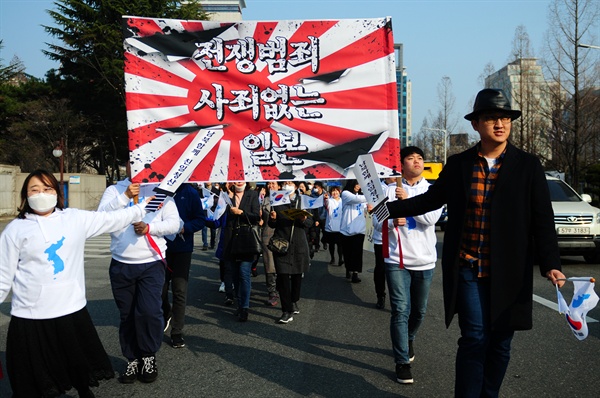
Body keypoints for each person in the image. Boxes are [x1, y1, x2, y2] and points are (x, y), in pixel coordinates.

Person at [383, 88, 566, 396]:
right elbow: (430, 200)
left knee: (501, 343)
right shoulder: (460, 164)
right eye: (492, 117)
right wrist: (388, 208)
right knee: (475, 337)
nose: (500, 124)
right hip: (468, 266)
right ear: (476, 124)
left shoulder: (528, 165)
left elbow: (542, 219)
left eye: (505, 117)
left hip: (510, 271)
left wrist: (552, 265)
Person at [0, 169, 151, 398]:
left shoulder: (74, 218)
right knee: (32, 376)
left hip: (70, 309)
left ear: (57, 193)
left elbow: (110, 219)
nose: (41, 193)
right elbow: (3, 274)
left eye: (47, 188)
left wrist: (138, 207)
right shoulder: (15, 229)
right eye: (34, 189)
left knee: (77, 365)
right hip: (30, 315)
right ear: (25, 195)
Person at [98, 171, 181, 384]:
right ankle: (132, 358)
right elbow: (101, 217)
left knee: (149, 312)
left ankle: (148, 355)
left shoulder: (162, 192)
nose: (135, 165)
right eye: (131, 159)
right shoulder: (114, 190)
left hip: (151, 263)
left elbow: (175, 224)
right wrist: (125, 196)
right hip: (121, 265)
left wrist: (150, 228)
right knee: (127, 315)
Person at [374, 146, 443, 384]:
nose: (417, 161)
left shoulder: (432, 190)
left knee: (419, 311)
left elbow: (430, 219)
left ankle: (409, 337)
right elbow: (376, 221)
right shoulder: (389, 190)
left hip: (424, 259)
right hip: (396, 259)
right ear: (401, 165)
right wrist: (393, 222)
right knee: (400, 310)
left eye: (420, 158)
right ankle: (401, 361)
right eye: (411, 158)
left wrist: (409, 201)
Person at [162, 183, 206, 349]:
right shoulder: (158, 190)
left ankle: (177, 331)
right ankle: (166, 311)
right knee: (161, 289)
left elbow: (200, 219)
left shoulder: (190, 192)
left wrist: (184, 228)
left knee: (180, 290)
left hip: (182, 248)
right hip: (160, 248)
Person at [269, 181, 314, 323]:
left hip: (299, 244)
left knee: (296, 276)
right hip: (282, 244)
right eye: (285, 182)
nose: (287, 185)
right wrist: (273, 219)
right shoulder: (277, 198)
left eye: (290, 182)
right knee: (282, 277)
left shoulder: (304, 200)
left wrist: (304, 219)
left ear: (295, 186)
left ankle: (294, 300)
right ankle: (286, 310)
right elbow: (272, 223)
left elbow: (310, 223)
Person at [220, 181, 261, 322]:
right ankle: (239, 303)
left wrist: (241, 212)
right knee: (235, 275)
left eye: (241, 178)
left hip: (246, 239)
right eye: (235, 178)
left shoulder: (252, 194)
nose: (238, 181)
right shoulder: (226, 196)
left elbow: (256, 216)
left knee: (244, 273)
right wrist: (225, 193)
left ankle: (245, 307)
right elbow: (216, 213)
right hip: (231, 240)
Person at [372, 177, 397, 310]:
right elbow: (377, 221)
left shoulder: (402, 187)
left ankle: (397, 300)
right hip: (381, 238)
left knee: (397, 272)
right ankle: (380, 295)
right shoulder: (378, 189)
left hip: (399, 239)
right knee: (381, 269)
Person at [340, 179, 368, 283]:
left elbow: (365, 209)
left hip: (360, 229)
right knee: (347, 252)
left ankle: (355, 273)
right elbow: (356, 199)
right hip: (346, 229)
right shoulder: (345, 194)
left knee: (357, 252)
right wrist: (371, 197)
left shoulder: (362, 197)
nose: (358, 186)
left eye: (359, 184)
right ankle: (348, 268)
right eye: (357, 183)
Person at [260, 181, 281, 306]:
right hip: (267, 235)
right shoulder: (264, 199)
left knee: (281, 264)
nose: (271, 186)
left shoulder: (284, 199)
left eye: (273, 183)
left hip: (281, 235)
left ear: (279, 186)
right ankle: (272, 292)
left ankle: (282, 289)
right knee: (269, 265)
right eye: (269, 184)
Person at [323, 185, 344, 266]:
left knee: (340, 245)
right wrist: (325, 198)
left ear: (340, 192)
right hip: (330, 227)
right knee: (331, 245)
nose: (335, 193)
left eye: (336, 191)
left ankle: (340, 259)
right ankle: (332, 258)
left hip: (340, 227)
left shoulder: (343, 201)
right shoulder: (330, 200)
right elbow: (326, 203)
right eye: (333, 191)